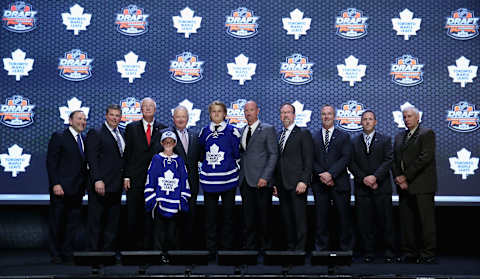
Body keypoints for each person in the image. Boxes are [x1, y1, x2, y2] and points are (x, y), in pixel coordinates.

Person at [392, 106, 437, 264]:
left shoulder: (427, 134)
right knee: (407, 222)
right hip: (404, 187)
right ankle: (409, 252)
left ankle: (428, 254)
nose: (407, 119)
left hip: (422, 186)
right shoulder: (399, 136)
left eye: (410, 116)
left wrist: (405, 177)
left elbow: (425, 158)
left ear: (418, 118)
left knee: (426, 222)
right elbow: (395, 160)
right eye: (404, 117)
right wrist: (398, 177)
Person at [349, 110, 394, 263]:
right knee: (364, 222)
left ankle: (388, 251)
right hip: (362, 189)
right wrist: (365, 179)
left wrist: (375, 177)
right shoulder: (353, 141)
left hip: (381, 187)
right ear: (361, 122)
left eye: (370, 119)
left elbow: (388, 160)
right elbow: (351, 163)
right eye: (365, 119)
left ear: (375, 122)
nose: (367, 122)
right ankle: (368, 252)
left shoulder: (385, 139)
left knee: (385, 221)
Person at [198, 100, 241, 258]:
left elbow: (237, 153)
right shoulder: (204, 132)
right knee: (210, 218)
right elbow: (201, 154)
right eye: (213, 111)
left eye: (219, 111)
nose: (216, 114)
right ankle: (211, 250)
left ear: (225, 114)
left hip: (228, 181)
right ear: (210, 114)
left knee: (228, 217)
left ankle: (226, 250)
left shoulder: (233, 131)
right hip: (210, 182)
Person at [123, 97, 167, 250]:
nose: (148, 108)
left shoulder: (163, 129)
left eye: (151, 106)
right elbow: (127, 154)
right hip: (135, 179)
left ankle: (150, 250)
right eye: (145, 106)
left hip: (155, 181)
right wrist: (126, 176)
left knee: (151, 216)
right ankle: (133, 251)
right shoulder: (131, 127)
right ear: (141, 109)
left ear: (155, 110)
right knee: (133, 216)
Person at [46, 110, 88, 264]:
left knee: (72, 223)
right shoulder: (59, 136)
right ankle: (55, 253)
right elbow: (51, 162)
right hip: (61, 189)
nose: (82, 121)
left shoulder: (84, 139)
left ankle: (67, 251)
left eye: (84, 119)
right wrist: (55, 184)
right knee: (57, 222)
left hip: (77, 190)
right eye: (79, 118)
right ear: (70, 121)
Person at [311, 105, 353, 252]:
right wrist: (322, 174)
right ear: (320, 116)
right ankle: (321, 248)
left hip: (339, 183)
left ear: (334, 116)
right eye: (323, 114)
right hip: (319, 184)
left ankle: (345, 249)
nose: (326, 116)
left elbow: (346, 157)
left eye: (329, 114)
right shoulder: (313, 136)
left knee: (343, 218)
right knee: (321, 220)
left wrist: (331, 174)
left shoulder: (344, 136)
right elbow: (311, 159)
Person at [239, 101, 278, 252]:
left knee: (264, 219)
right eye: (246, 110)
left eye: (251, 110)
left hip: (262, 182)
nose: (248, 113)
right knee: (248, 219)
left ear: (258, 111)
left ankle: (266, 249)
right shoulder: (242, 130)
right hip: (246, 181)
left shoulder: (268, 129)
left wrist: (266, 177)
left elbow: (273, 155)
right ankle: (250, 249)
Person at [145, 131, 190, 260]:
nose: (168, 144)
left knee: (172, 233)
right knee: (159, 233)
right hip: (160, 203)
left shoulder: (179, 161)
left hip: (174, 203)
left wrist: (182, 199)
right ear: (162, 143)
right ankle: (158, 257)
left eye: (171, 142)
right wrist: (153, 199)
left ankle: (172, 257)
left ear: (175, 143)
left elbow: (184, 180)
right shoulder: (156, 159)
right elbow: (150, 179)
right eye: (166, 142)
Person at [160, 105, 201, 249]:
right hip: (171, 187)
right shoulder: (165, 135)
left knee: (190, 221)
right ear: (173, 118)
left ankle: (187, 253)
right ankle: (171, 253)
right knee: (172, 223)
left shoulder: (195, 136)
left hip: (192, 186)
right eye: (178, 116)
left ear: (188, 118)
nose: (181, 119)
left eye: (183, 116)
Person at [85, 104, 125, 251]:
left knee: (112, 223)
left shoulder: (122, 133)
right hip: (101, 185)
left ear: (121, 118)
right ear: (106, 116)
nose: (115, 118)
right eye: (112, 115)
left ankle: (108, 254)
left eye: (117, 115)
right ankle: (94, 255)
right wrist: (97, 179)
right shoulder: (96, 133)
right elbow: (92, 159)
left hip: (116, 186)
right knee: (96, 222)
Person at [273, 103, 313, 251]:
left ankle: (301, 250)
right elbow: (276, 161)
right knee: (287, 220)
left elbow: (308, 160)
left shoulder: (303, 134)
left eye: (288, 112)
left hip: (298, 185)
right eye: (283, 113)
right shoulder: (278, 135)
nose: (285, 115)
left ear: (294, 115)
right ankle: (290, 249)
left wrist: (304, 180)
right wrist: (275, 184)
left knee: (299, 219)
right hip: (282, 185)